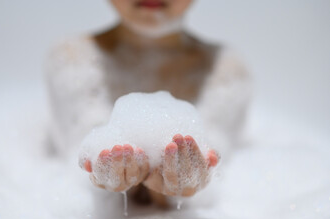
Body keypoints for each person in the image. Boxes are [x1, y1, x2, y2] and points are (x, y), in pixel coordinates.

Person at [45, 0, 251, 207]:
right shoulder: (72, 57)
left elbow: (218, 157)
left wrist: (198, 181)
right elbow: (79, 148)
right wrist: (101, 170)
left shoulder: (226, 69)